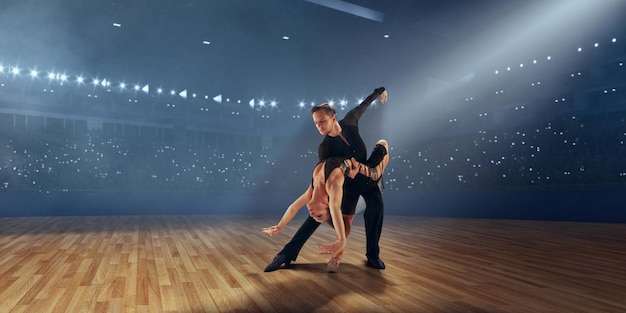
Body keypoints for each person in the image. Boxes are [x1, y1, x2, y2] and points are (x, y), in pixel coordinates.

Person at [263, 87, 389, 272]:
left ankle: (372, 256)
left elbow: (364, 104)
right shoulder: (325, 149)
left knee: (376, 209)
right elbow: (325, 181)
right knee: (317, 211)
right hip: (346, 184)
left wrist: (380, 91)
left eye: (322, 121)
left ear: (334, 117)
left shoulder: (351, 121)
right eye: (315, 123)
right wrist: (281, 225)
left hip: (366, 179)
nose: (319, 126)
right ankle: (287, 254)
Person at [263, 144, 389, 272]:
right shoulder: (332, 188)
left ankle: (370, 256)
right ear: (326, 204)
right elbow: (335, 209)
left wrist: (280, 226)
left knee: (375, 207)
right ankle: (290, 254)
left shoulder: (312, 192)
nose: (312, 214)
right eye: (319, 216)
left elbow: (294, 207)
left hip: (361, 179)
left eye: (318, 216)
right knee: (383, 146)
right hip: (364, 178)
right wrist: (341, 239)